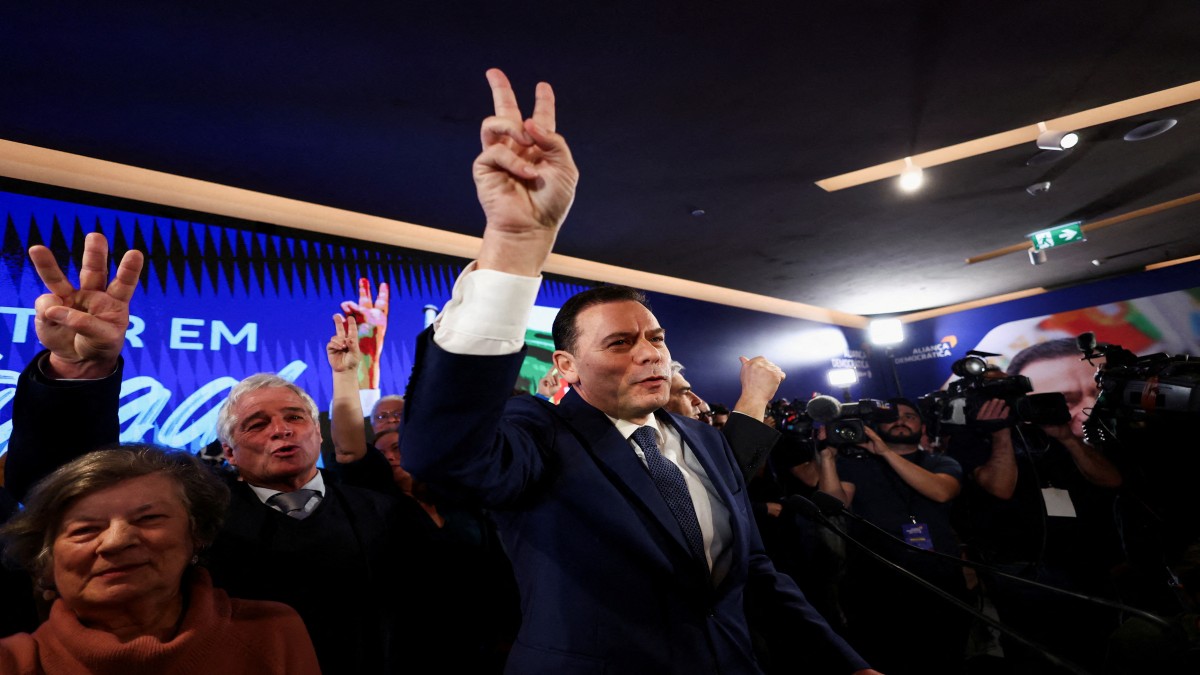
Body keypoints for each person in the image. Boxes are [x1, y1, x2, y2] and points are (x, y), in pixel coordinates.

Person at [399, 68, 876, 675]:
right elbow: (441, 455)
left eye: (655, 338)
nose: (650, 353)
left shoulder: (705, 440)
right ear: (565, 364)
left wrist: (847, 663)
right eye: (621, 342)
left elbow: (753, 572)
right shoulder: (539, 435)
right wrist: (515, 245)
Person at [6, 234, 430, 675]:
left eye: (293, 418)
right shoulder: (192, 515)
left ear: (316, 434)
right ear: (228, 450)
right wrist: (82, 372)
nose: (281, 430)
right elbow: (70, 487)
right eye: (257, 424)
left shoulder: (382, 510)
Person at [0, 446, 320, 675]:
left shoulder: (271, 632)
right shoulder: (13, 661)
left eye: (149, 518)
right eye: (85, 530)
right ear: (46, 560)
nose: (116, 541)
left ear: (196, 535)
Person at [817, 398, 969, 675]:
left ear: (922, 425)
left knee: (945, 657)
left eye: (910, 416)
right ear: (876, 424)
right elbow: (833, 505)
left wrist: (885, 452)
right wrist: (826, 458)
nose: (901, 421)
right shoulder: (857, 465)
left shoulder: (939, 461)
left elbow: (941, 491)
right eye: (892, 417)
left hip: (938, 579)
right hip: (875, 581)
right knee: (884, 658)